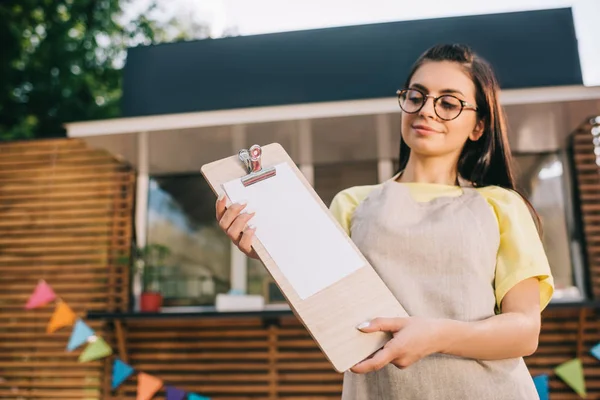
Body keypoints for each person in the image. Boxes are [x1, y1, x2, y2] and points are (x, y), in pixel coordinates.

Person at [215, 43, 554, 400]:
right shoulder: (352, 203)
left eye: (449, 103)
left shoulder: (502, 205)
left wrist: (435, 336)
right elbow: (329, 317)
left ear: (478, 126)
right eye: (416, 96)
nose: (426, 110)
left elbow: (524, 331)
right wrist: (271, 253)